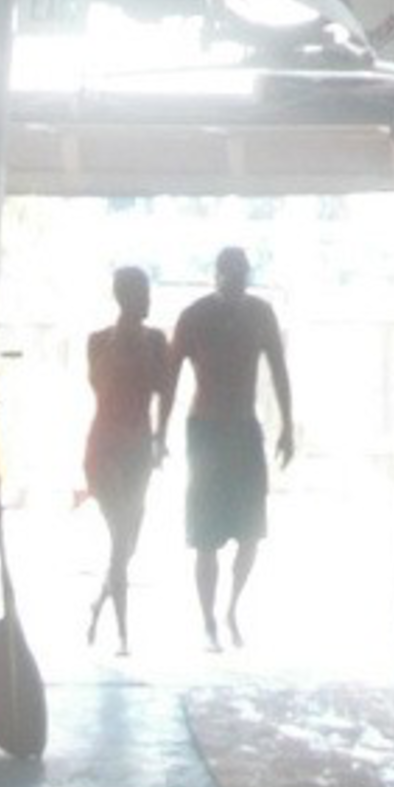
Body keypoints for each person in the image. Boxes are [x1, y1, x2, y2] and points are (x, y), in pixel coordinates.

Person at [169, 240, 295, 651]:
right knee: (205, 535)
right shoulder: (195, 317)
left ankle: (231, 608)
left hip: (243, 428)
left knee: (250, 532)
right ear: (217, 276)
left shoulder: (260, 315)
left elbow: (279, 370)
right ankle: (208, 620)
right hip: (205, 430)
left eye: (243, 279)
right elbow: (170, 378)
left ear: (248, 278)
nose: (236, 285)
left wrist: (288, 425)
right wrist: (157, 432)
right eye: (229, 278)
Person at [79, 262, 172, 655]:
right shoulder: (99, 340)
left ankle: (100, 602)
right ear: (126, 298)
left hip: (137, 449)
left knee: (129, 542)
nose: (149, 300)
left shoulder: (156, 341)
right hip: (105, 448)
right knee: (119, 536)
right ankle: (122, 634)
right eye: (142, 293)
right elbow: (99, 383)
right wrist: (121, 342)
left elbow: (163, 388)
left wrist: (160, 439)